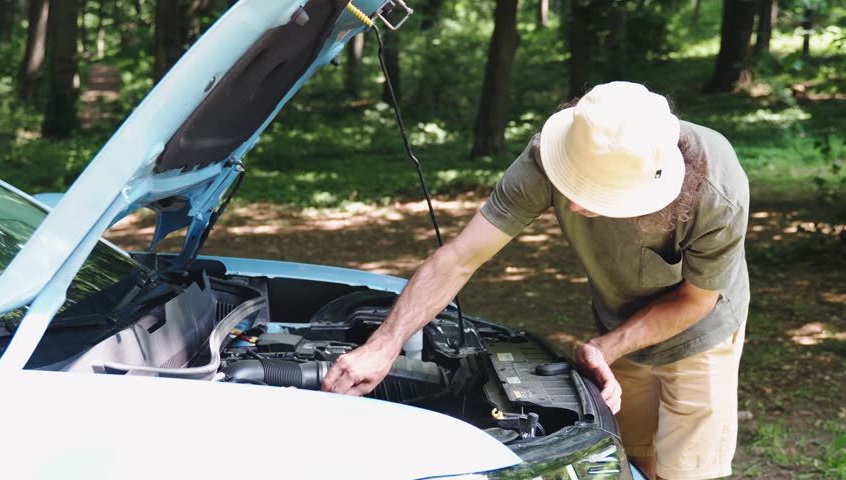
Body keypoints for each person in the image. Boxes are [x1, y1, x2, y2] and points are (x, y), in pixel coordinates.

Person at [321, 81, 749, 480]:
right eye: (576, 182)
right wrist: (382, 345)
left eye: (598, 193)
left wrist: (606, 347)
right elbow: (459, 257)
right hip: (621, 318)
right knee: (635, 456)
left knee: (688, 470)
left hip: (701, 333)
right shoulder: (552, 153)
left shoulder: (716, 188)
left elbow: (696, 299)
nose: (577, 203)